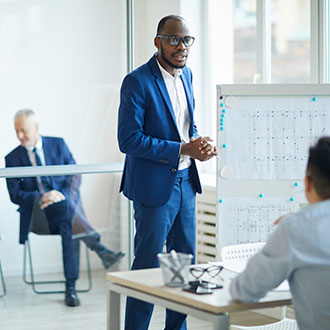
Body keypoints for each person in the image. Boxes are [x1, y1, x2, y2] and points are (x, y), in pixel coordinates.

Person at [117, 15, 217, 330]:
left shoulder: (186, 77)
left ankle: (177, 328)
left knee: (183, 264)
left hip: (187, 182)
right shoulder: (137, 81)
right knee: (147, 266)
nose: (182, 46)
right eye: (174, 39)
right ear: (158, 41)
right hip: (154, 187)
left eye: (187, 40)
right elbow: (128, 140)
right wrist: (182, 149)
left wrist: (199, 144)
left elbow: (186, 127)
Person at [5, 109, 125, 307]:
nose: (20, 136)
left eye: (24, 131)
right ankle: (98, 252)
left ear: (36, 128)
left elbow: (75, 175)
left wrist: (62, 198)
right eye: (16, 131)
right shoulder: (12, 158)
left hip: (64, 212)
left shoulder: (58, 144)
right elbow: (15, 196)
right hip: (39, 215)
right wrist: (43, 196)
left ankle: (71, 287)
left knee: (67, 220)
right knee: (69, 217)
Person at [230, 136, 330, 330]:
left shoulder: (296, 229)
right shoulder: (298, 227)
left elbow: (244, 290)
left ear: (308, 184)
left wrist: (297, 224)